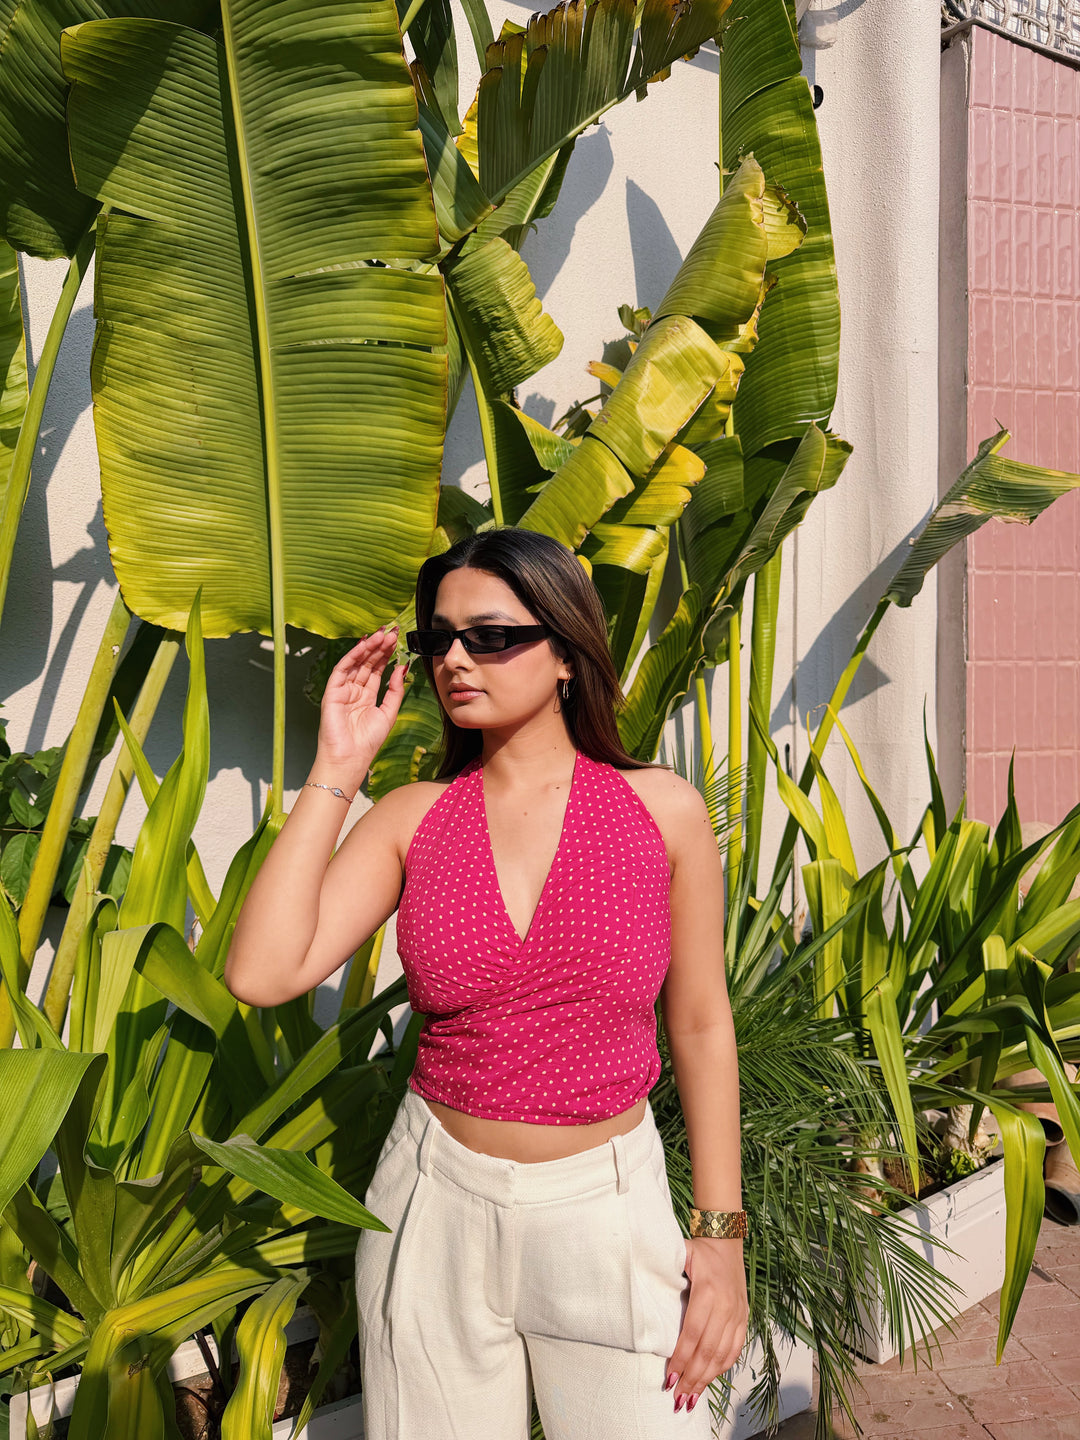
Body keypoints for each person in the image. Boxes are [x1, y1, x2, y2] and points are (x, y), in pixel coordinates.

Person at [225, 528, 748, 1440]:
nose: (457, 659)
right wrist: (337, 769)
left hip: (610, 1211)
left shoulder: (659, 811)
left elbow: (701, 1025)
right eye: (440, 641)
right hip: (434, 1207)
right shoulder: (412, 819)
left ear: (566, 657)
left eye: (491, 635)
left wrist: (722, 1237)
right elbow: (263, 971)